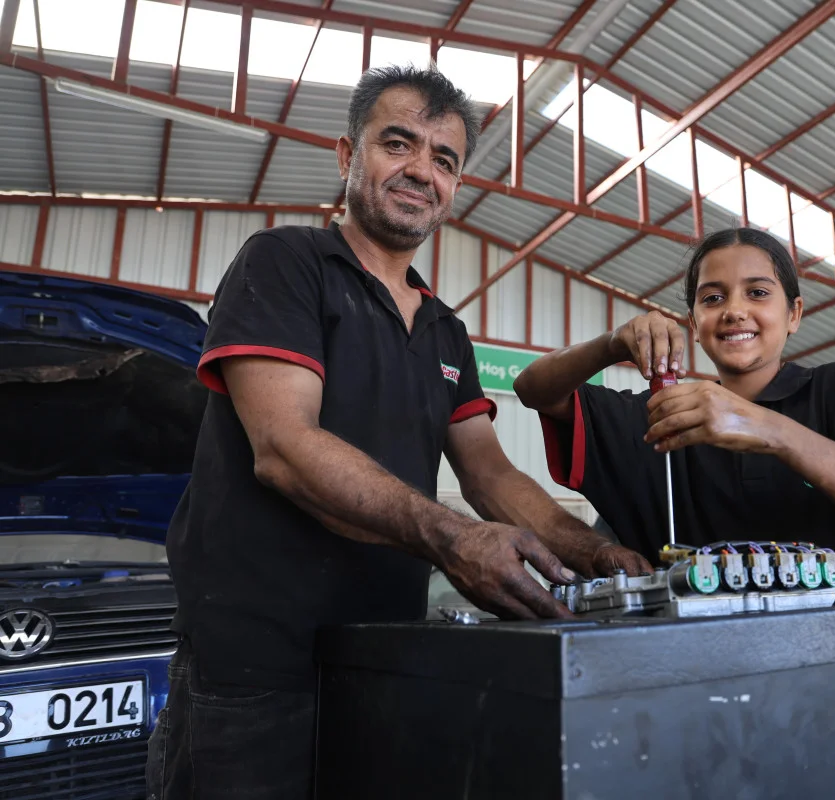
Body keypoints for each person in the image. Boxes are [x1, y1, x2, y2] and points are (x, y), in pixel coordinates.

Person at [147, 65, 649, 800]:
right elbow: (284, 448)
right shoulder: (286, 265)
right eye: (398, 144)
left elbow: (490, 475)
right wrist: (453, 538)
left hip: (386, 652)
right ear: (349, 156)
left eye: (444, 160)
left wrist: (594, 554)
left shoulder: (447, 332)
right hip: (254, 664)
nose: (422, 170)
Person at [513, 227, 835, 602]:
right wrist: (610, 344)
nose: (734, 310)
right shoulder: (660, 416)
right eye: (712, 298)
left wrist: (767, 428)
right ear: (694, 322)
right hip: (702, 673)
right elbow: (533, 388)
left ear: (793, 313)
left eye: (757, 292)